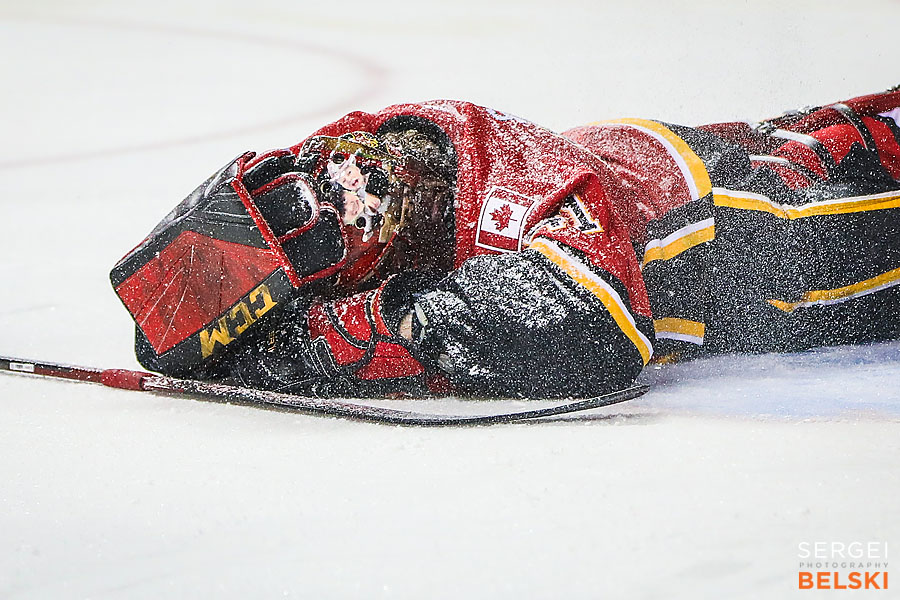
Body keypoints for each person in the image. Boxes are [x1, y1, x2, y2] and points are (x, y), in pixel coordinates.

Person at [110, 86, 900, 398]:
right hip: (748, 152)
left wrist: (320, 345)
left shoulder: (529, 195)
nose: (323, 183)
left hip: (791, 223)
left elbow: (591, 327)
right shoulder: (381, 140)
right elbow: (169, 317)